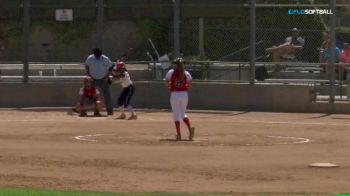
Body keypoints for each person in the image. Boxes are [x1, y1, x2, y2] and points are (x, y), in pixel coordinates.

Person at [165, 57, 195, 141]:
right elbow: (190, 83)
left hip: (175, 94)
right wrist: (186, 87)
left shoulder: (171, 72)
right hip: (184, 94)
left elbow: (167, 82)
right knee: (183, 114)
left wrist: (170, 86)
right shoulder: (186, 73)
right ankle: (190, 128)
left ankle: (179, 135)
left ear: (176, 65)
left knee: (176, 115)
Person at [85, 48, 114, 115]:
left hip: (103, 79)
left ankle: (110, 111)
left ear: (101, 53)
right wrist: (88, 75)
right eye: (96, 54)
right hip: (93, 79)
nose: (97, 55)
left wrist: (107, 76)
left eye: (99, 53)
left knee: (107, 96)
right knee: (89, 95)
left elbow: (111, 66)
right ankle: (85, 110)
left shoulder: (105, 58)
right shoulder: (90, 58)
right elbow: (86, 65)